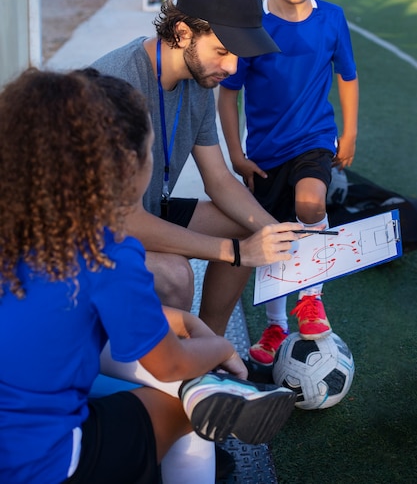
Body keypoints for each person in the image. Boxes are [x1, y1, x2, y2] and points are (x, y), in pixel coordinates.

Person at [0, 68, 297, 484]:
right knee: (188, 408)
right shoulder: (106, 252)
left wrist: (184, 321)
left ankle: (210, 390)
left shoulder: (22, 225)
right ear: (128, 167)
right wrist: (217, 347)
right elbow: (170, 362)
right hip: (41, 465)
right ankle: (210, 393)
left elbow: (70, 315)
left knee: (166, 368)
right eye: (150, 149)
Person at [92, 0, 305, 340]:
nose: (232, 66)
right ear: (182, 32)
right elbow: (123, 221)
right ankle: (176, 380)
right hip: (90, 233)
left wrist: (273, 230)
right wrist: (234, 253)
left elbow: (220, 179)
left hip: (146, 210)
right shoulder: (116, 86)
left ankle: (212, 352)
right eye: (222, 51)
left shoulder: (198, 81)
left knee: (248, 225)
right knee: (176, 275)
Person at [218, 0, 359, 367]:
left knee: (311, 206)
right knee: (275, 236)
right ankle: (277, 323)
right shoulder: (253, 27)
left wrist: (350, 133)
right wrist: (236, 154)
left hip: (315, 141)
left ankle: (311, 299)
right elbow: (228, 96)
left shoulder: (332, 19)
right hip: (263, 155)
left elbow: (348, 78)